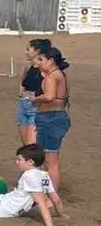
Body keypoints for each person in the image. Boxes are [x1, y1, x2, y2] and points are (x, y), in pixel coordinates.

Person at [32, 46, 70, 189]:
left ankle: (50, 197)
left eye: (42, 59)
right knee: (48, 158)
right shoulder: (60, 74)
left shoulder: (52, 76)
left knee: (50, 161)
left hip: (51, 118)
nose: (39, 63)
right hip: (53, 117)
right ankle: (46, 191)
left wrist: (34, 99)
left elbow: (49, 96)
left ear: (51, 61)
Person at [17, 39, 51, 145]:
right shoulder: (28, 67)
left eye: (28, 49)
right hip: (23, 106)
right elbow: (23, 83)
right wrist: (22, 94)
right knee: (27, 147)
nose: (26, 52)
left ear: (37, 51)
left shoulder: (46, 69)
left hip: (37, 107)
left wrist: (35, 97)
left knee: (32, 146)